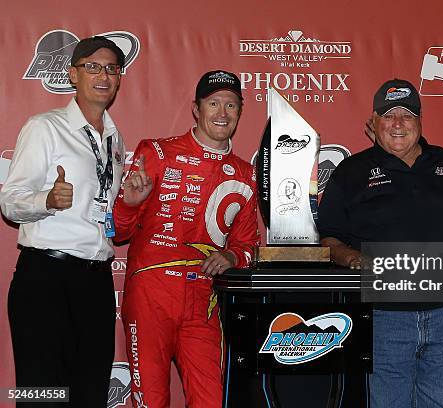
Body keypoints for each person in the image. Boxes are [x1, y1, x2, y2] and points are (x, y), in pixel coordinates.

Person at [113, 69, 259, 407]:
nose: (222, 113)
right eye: (213, 104)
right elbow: (119, 232)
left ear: (240, 110)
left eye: (231, 105)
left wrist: (233, 257)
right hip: (151, 294)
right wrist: (128, 203)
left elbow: (248, 244)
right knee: (151, 400)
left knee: (210, 401)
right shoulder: (157, 153)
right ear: (196, 109)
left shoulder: (246, 175)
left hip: (202, 301)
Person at [318, 79, 443, 407]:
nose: (398, 124)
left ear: (419, 121)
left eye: (407, 116)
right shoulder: (351, 171)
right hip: (384, 317)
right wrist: (349, 256)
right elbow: (328, 236)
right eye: (389, 116)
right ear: (373, 122)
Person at [0, 36, 126, 406]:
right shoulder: (44, 127)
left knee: (89, 393)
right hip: (46, 280)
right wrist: (47, 200)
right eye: (92, 66)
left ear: (119, 78)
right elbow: (10, 202)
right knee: (42, 395)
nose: (102, 75)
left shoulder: (115, 141)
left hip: (97, 283)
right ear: (73, 74)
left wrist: (129, 201)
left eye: (111, 68)